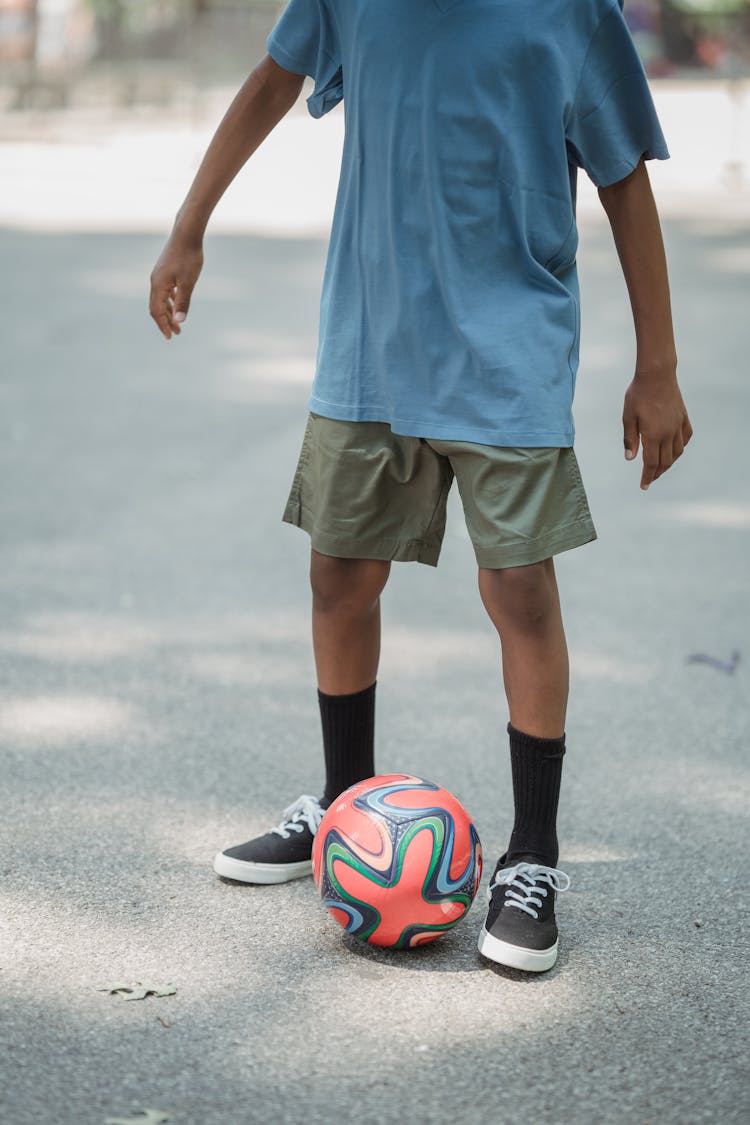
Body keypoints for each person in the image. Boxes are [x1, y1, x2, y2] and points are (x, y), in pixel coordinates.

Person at [149, 0, 692, 973]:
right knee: (338, 577)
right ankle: (345, 809)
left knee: (520, 587)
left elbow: (622, 176)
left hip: (510, 348)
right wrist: (189, 226)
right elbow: (273, 79)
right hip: (372, 337)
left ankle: (532, 858)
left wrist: (658, 364)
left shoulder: (574, 12)